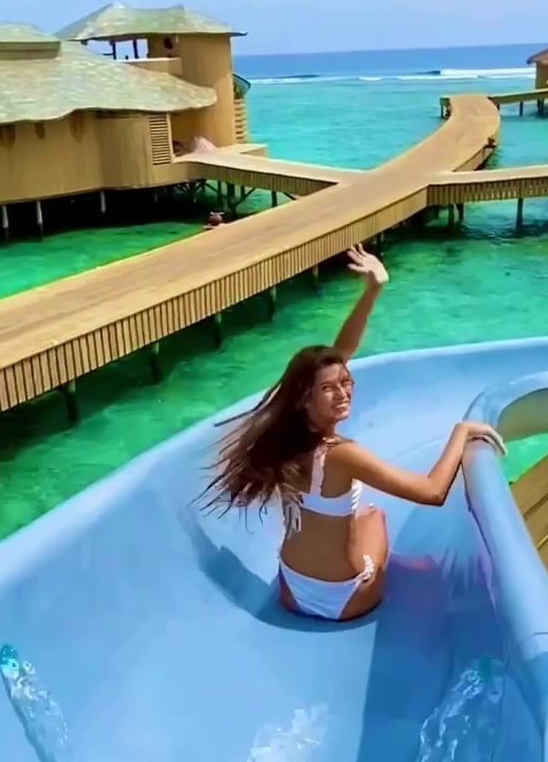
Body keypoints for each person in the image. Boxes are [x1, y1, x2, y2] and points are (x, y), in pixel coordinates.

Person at [204, 245, 504, 621]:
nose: (343, 393)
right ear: (305, 398)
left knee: (358, 517)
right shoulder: (340, 453)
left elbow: (336, 358)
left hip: (290, 590)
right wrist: (461, 432)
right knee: (375, 517)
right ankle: (402, 571)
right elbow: (431, 492)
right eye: (329, 388)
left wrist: (372, 292)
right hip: (342, 600)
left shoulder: (283, 436)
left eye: (346, 383)